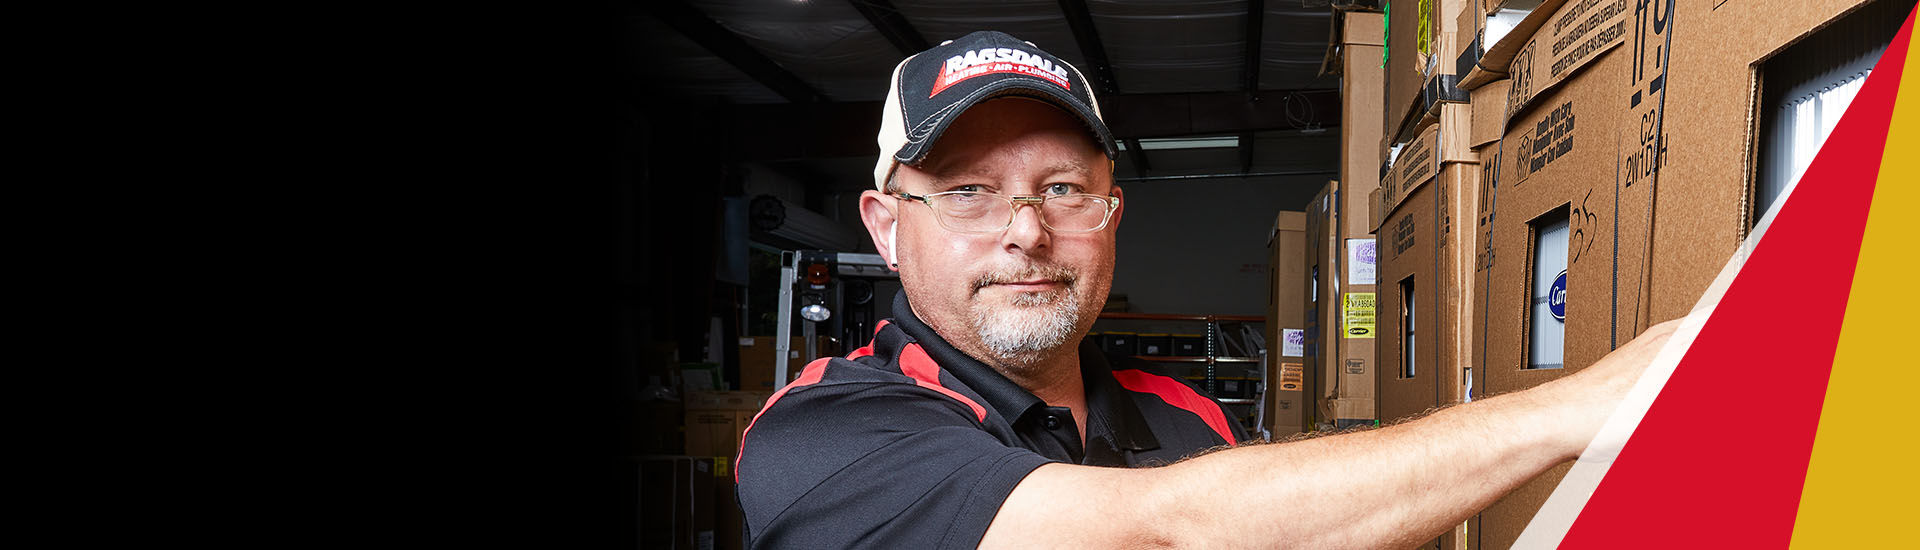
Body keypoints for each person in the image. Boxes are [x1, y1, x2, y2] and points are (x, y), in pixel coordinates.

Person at [735, 30, 1678, 549]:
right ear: (886, 226)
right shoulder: (824, 437)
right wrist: (1586, 408)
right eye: (970, 192)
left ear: (1111, 213)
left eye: (1062, 189)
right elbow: (1161, 534)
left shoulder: (1185, 419)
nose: (1026, 230)